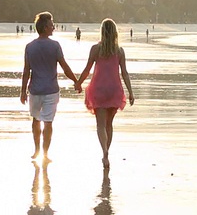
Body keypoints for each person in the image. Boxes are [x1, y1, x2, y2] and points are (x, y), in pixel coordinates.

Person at [76, 18, 135, 168]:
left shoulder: (96, 49)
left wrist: (79, 82)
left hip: (99, 89)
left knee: (100, 125)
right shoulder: (119, 51)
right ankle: (106, 151)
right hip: (114, 89)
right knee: (109, 124)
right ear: (115, 32)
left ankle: (104, 152)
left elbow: (87, 70)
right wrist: (131, 92)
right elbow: (125, 73)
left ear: (102, 31)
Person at [21, 11, 78, 162]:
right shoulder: (55, 46)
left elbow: (26, 71)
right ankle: (45, 153)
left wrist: (22, 92)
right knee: (48, 122)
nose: (53, 27)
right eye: (52, 25)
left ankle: (37, 150)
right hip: (51, 90)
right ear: (45, 27)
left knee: (35, 120)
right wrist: (76, 81)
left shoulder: (29, 47)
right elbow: (65, 67)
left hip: (35, 90)